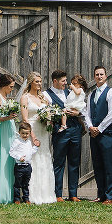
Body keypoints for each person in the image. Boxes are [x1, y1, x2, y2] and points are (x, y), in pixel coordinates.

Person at [44, 69, 83, 201]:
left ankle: (73, 194)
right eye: (63, 81)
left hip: (75, 130)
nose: (66, 83)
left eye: (66, 81)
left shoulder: (70, 92)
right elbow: (46, 113)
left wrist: (78, 113)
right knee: (59, 163)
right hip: (60, 132)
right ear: (55, 81)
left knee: (74, 162)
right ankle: (58, 194)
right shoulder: (46, 95)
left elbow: (82, 107)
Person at [84, 65, 112, 204]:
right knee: (97, 164)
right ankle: (101, 195)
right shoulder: (91, 94)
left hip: (106, 133)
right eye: (97, 74)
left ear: (106, 76)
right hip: (94, 134)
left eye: (101, 74)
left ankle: (111, 196)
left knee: (108, 164)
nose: (99, 77)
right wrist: (91, 127)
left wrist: (99, 128)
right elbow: (87, 113)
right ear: (94, 77)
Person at [20, 71, 56, 204]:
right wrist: (32, 135)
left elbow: (49, 113)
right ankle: (31, 194)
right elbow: (24, 118)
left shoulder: (43, 98)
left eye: (40, 81)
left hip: (43, 131)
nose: (39, 84)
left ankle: (46, 193)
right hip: (31, 130)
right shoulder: (25, 98)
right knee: (33, 159)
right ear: (30, 83)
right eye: (37, 82)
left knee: (44, 158)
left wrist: (50, 120)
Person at [0, 74, 17, 204]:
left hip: (10, 129)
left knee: (10, 158)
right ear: (5, 85)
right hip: (2, 130)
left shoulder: (6, 97)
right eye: (11, 87)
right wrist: (7, 118)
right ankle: (1, 194)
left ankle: (9, 192)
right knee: (3, 157)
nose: (12, 89)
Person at [8, 121, 38, 204]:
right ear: (19, 133)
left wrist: (36, 147)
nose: (25, 135)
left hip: (28, 166)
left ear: (29, 133)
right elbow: (11, 152)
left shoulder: (28, 142)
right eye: (23, 133)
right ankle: (17, 199)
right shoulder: (17, 141)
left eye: (27, 134)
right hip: (19, 166)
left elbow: (30, 152)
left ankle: (26, 198)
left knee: (26, 184)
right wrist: (19, 157)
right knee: (17, 184)